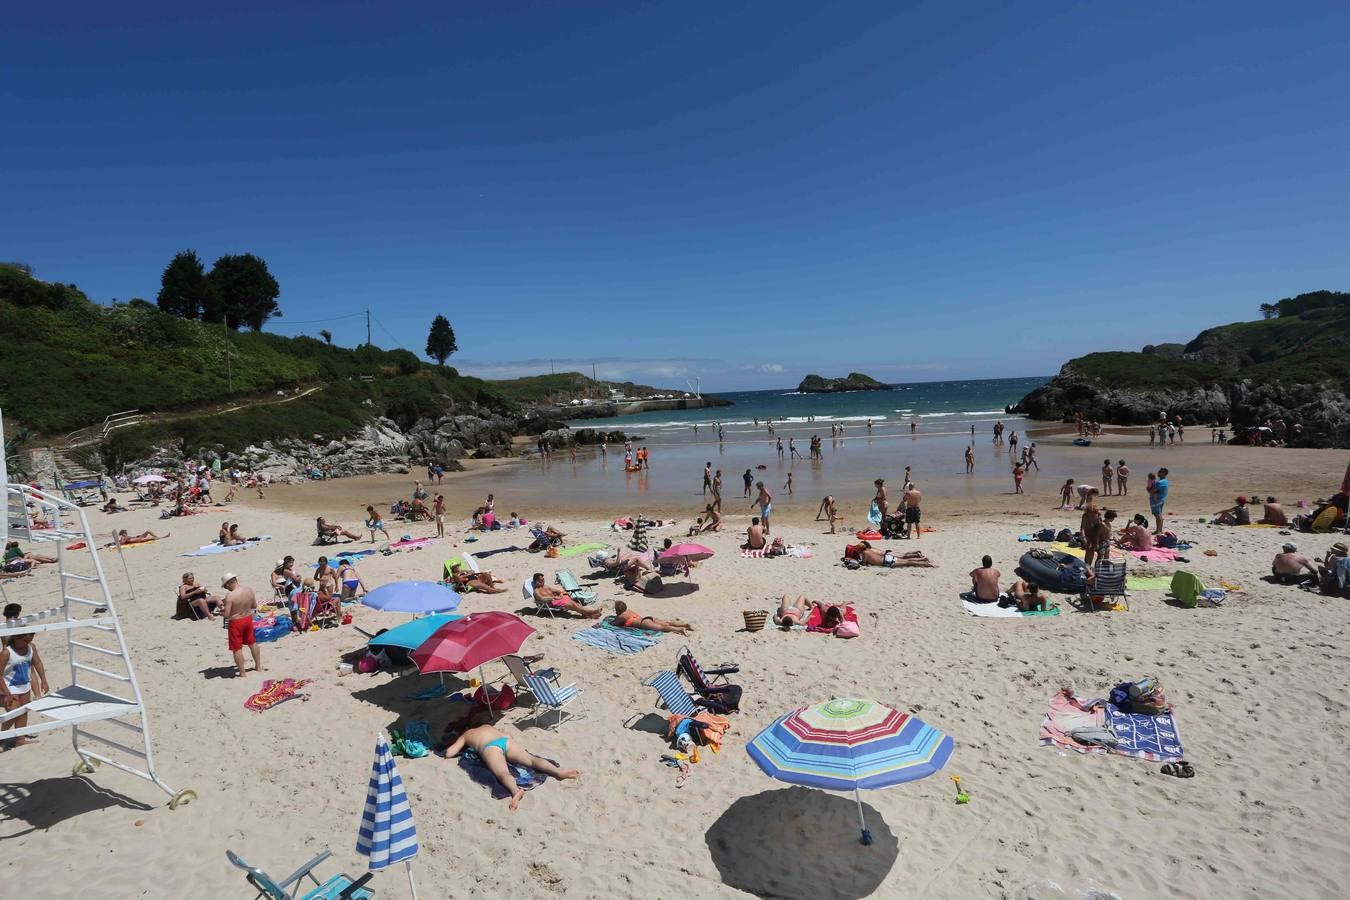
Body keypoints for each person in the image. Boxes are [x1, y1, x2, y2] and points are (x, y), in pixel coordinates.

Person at [443, 723, 580, 810]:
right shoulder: (487, 726)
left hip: (490, 748)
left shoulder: (466, 735)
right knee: (532, 759)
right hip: (505, 741)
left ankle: (516, 791)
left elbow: (450, 753)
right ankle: (558, 772)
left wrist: (462, 742)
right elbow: (508, 735)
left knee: (502, 773)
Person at [1, 631, 49, 748]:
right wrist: (6, 692)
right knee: (13, 715)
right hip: (8, 688)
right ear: (16, 638)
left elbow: (37, 663)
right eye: (25, 640)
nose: (28, 642)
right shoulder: (7, 653)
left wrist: (43, 679)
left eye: (31, 639)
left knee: (23, 713)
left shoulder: (31, 647)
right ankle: (1, 739)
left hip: (24, 686)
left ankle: (20, 740)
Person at [221, 573, 264, 677]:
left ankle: (242, 672)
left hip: (236, 622)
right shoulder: (248, 590)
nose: (227, 589)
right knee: (252, 643)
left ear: (228, 584)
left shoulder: (230, 596)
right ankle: (258, 666)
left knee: (237, 648)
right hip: (247, 619)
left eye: (226, 587)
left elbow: (226, 615)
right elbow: (254, 605)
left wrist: (222, 610)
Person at [531, 573, 601, 617]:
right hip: (551, 603)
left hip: (559, 599)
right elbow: (541, 599)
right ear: (536, 581)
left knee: (575, 603)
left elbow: (557, 591)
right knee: (572, 605)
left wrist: (560, 595)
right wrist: (554, 597)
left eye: (543, 580)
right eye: (541, 580)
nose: (543, 581)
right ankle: (590, 612)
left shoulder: (546, 586)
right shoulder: (536, 591)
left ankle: (587, 614)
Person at [612, 600, 693, 634]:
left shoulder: (620, 616)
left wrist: (615, 618)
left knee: (663, 628)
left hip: (643, 623)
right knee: (667, 623)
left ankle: (680, 630)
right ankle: (684, 625)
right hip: (647, 618)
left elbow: (613, 624)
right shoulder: (629, 610)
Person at [1150, 467, 1170, 534]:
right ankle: (1158, 529)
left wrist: (1148, 488)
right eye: (1159, 471)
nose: (1158, 473)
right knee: (1158, 515)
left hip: (1156, 501)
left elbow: (1152, 492)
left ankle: (1159, 530)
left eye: (1160, 472)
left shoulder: (1159, 483)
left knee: (1158, 515)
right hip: (1161, 499)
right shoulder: (1166, 481)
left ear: (1164, 473)